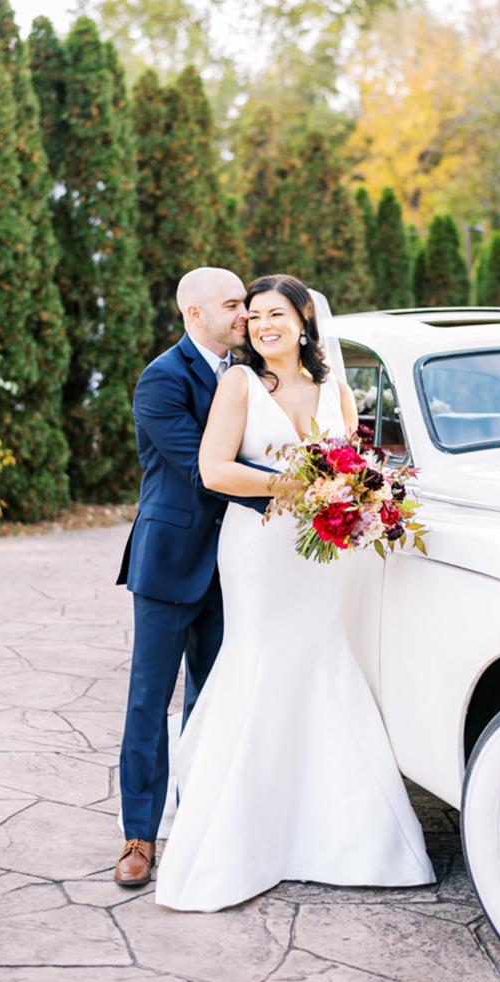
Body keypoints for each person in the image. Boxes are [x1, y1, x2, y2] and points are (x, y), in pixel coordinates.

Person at [154, 274, 435, 911]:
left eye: (275, 313)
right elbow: (213, 469)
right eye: (253, 317)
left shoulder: (337, 388)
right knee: (264, 663)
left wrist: (362, 495)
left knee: (322, 661)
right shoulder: (239, 384)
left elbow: (356, 462)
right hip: (260, 549)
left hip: (324, 553)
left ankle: (340, 832)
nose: (261, 325)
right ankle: (245, 831)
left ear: (305, 319)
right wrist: (300, 483)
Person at [114, 266, 272, 886]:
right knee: (150, 702)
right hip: (170, 560)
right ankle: (138, 836)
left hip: (236, 565)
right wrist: (302, 495)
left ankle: (204, 818)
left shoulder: (255, 377)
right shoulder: (160, 380)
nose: (245, 314)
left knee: (214, 695)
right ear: (195, 314)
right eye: (233, 305)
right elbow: (206, 469)